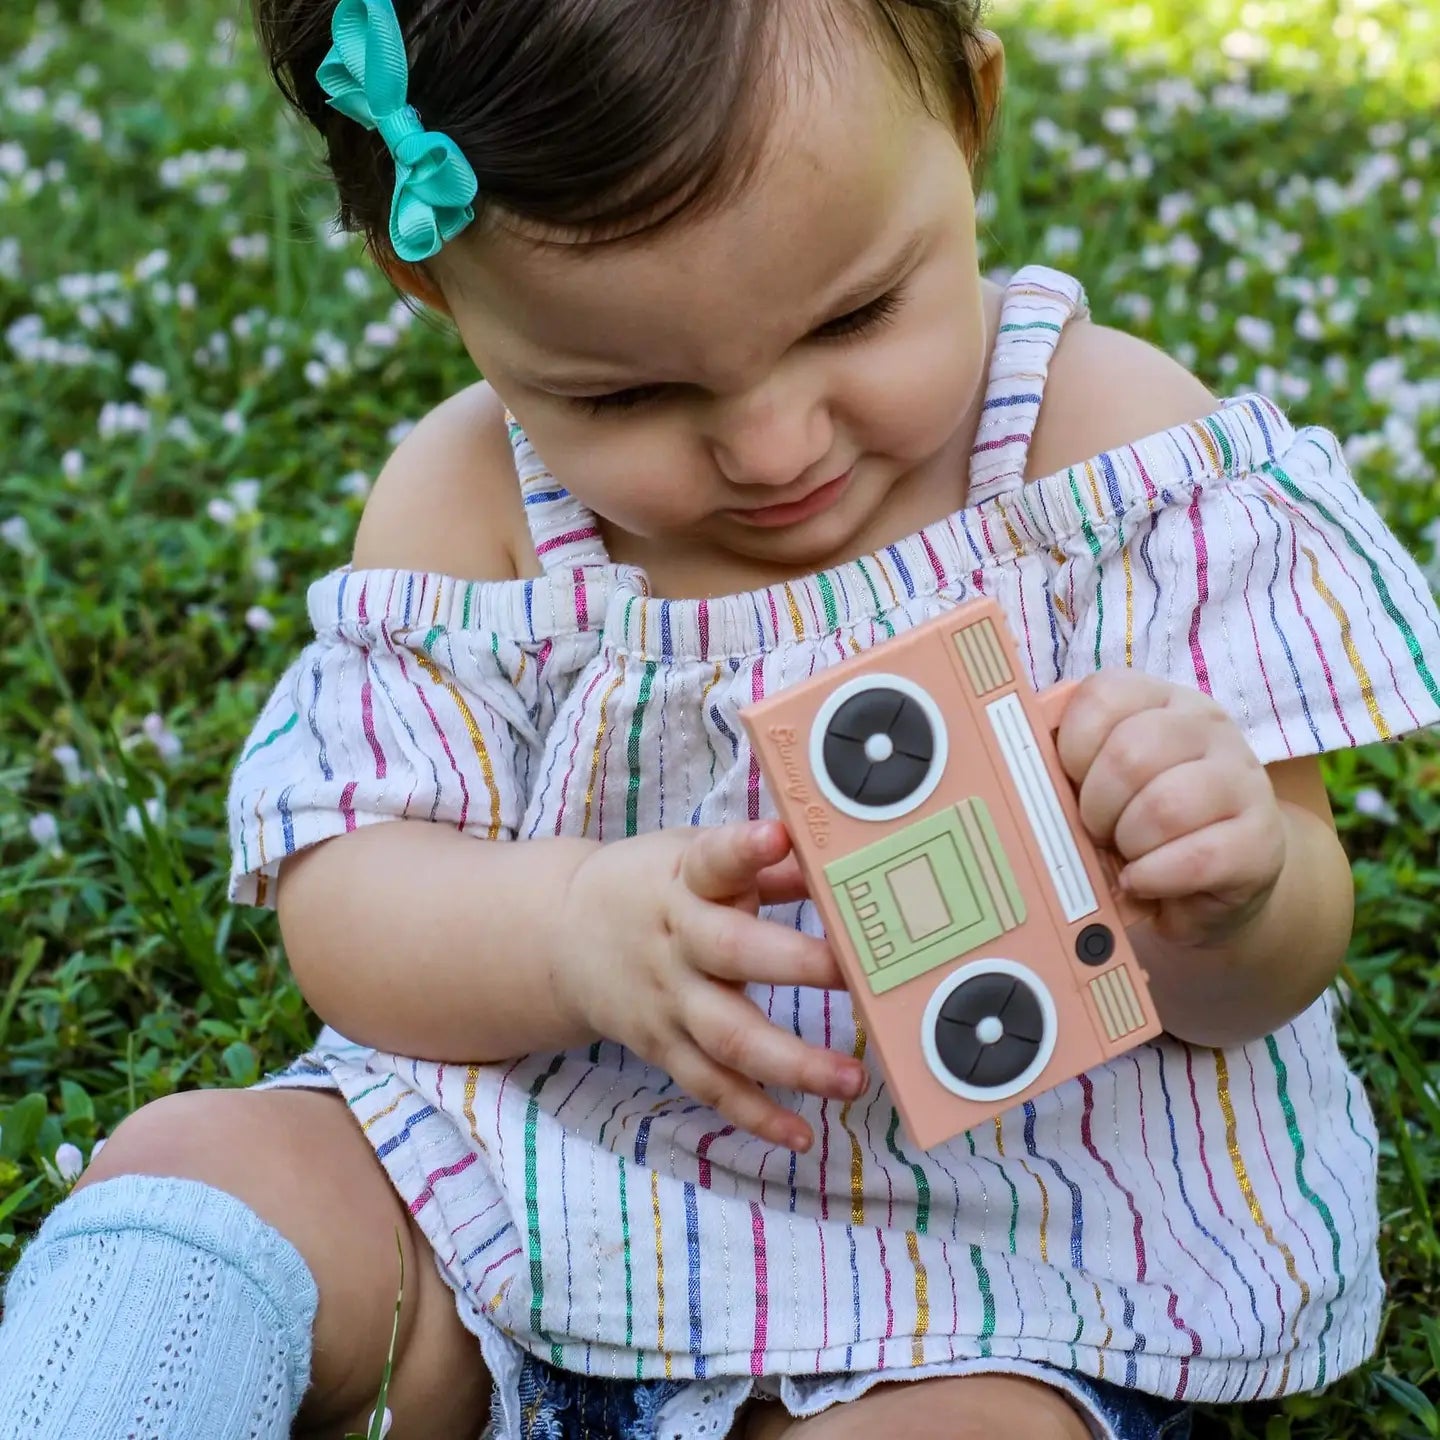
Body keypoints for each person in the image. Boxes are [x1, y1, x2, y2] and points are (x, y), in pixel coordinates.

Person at [3, 0, 1439, 1436]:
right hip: (528, 1201)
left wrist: (1224, 897)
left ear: (970, 119)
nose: (775, 447)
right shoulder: (469, 514)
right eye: (624, 390)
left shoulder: (1100, 454)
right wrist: (563, 927)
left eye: (855, 316)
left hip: (989, 1270)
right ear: (429, 281)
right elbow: (348, 915)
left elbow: (1276, 971)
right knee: (201, 1164)